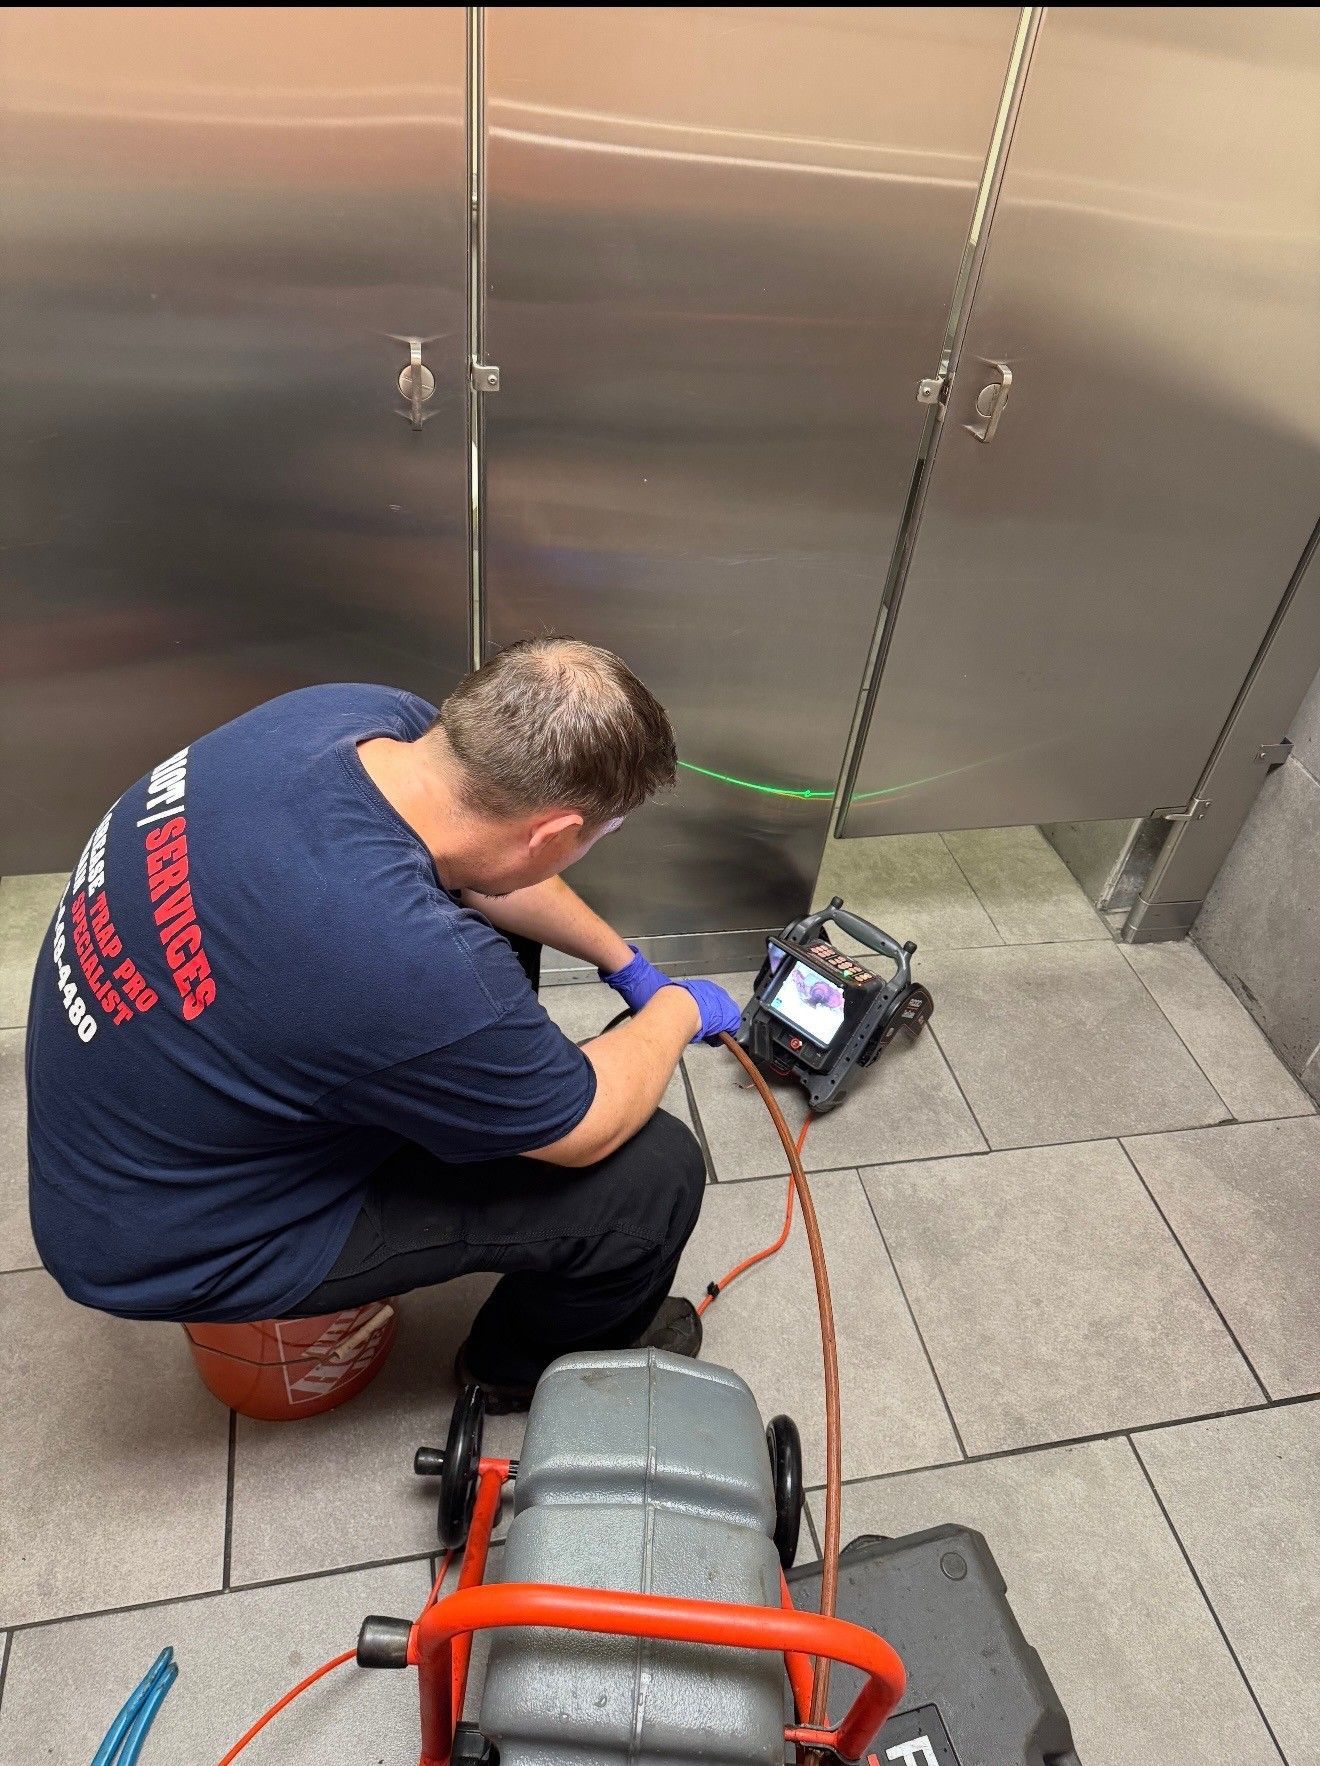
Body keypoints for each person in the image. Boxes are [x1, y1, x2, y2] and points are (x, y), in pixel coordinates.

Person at [25, 638, 742, 1410]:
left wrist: (623, 963)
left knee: (480, 969)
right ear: (551, 834)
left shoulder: (354, 720)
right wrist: (677, 1008)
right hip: (169, 1234)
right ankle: (513, 1373)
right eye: (599, 833)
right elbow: (587, 1128)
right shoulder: (410, 962)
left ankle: (495, 1081)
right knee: (652, 1179)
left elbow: (482, 868)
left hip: (136, 1104)